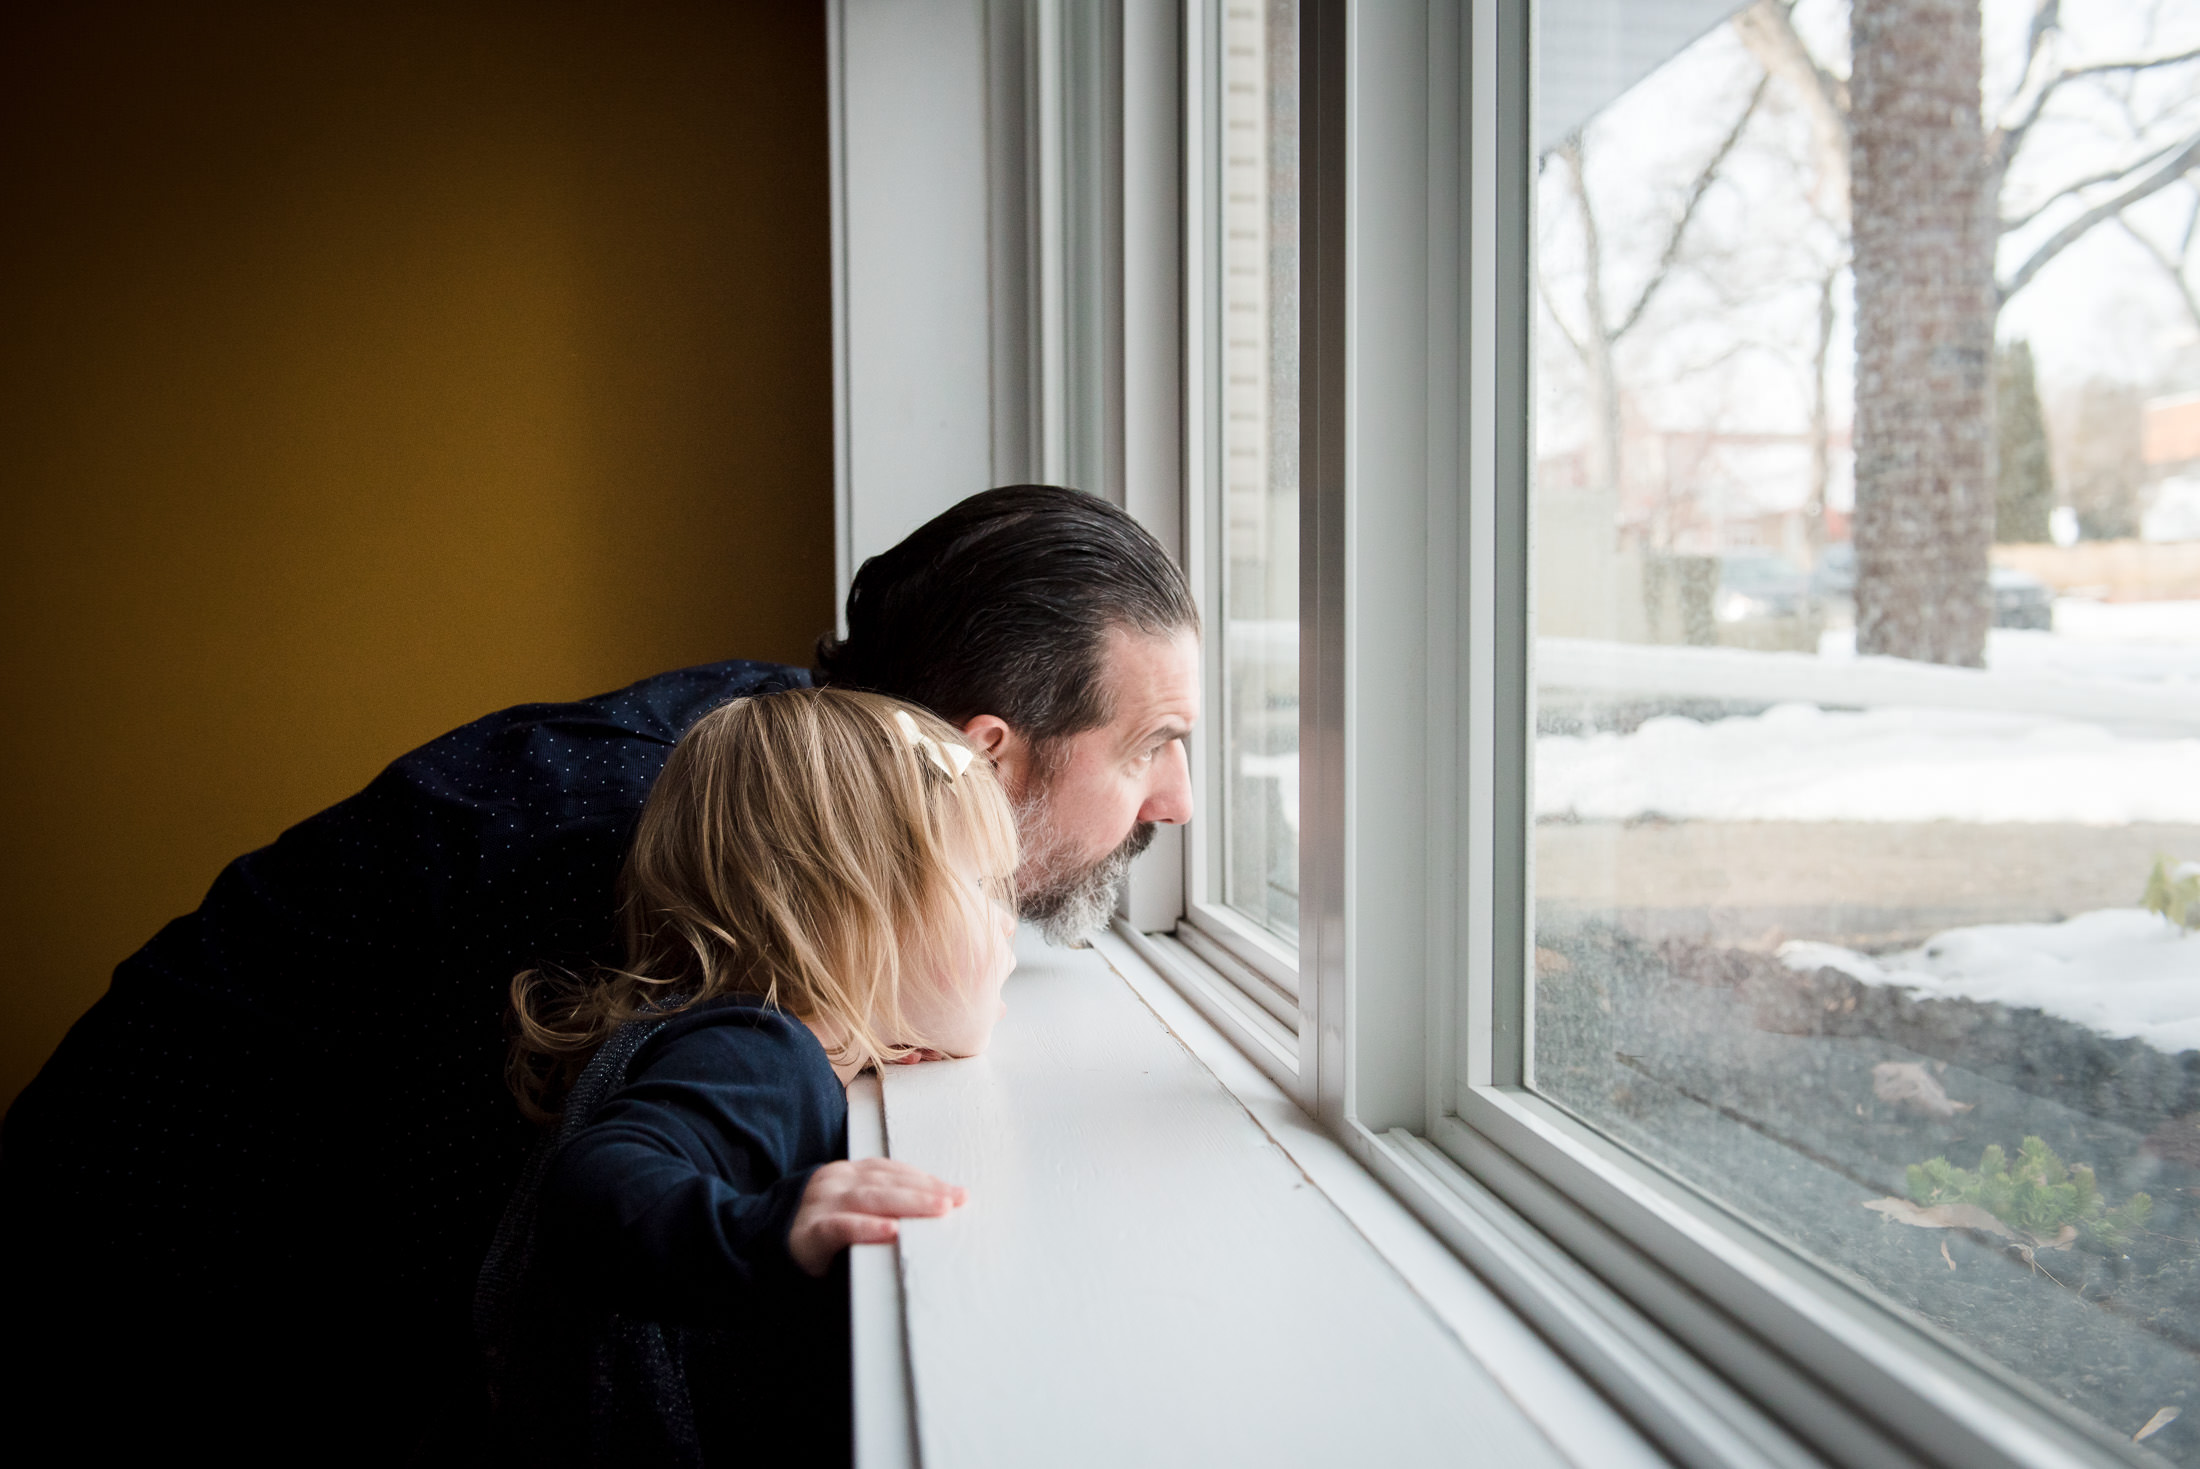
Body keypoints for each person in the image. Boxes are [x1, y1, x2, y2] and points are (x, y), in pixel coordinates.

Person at [0, 484, 1197, 1462]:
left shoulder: (794, 804)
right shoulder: (628, 845)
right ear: (985, 755)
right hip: (133, 1301)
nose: (1177, 801)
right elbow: (500, 1265)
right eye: (1152, 744)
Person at [479, 688, 1014, 1467]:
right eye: (982, 885)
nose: (1007, 921)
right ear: (853, 904)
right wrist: (771, 1226)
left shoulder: (742, 1035)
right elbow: (591, 1186)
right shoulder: (753, 1053)